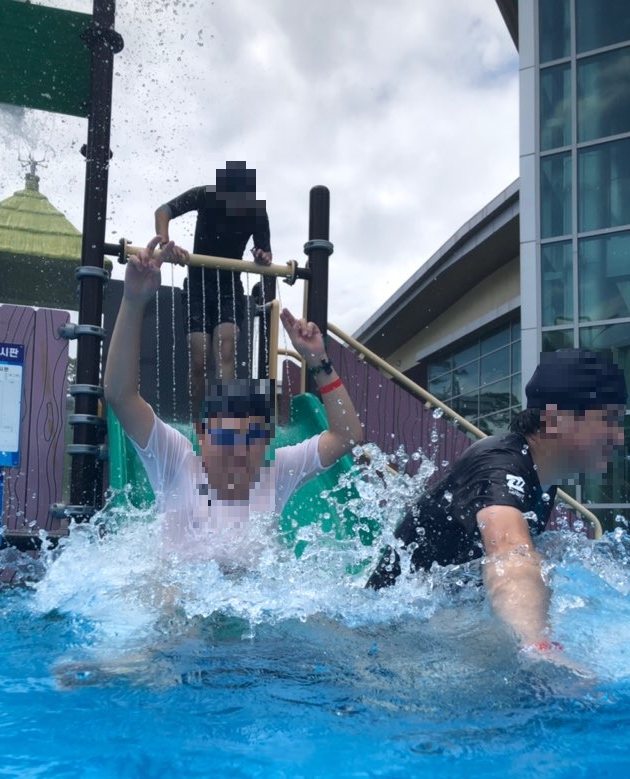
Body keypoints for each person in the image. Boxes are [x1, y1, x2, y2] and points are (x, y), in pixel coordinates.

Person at [103, 237, 363, 568]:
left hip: (247, 593)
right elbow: (120, 394)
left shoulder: (273, 475)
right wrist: (133, 301)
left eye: (250, 437)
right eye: (226, 434)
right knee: (166, 592)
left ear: (265, 444)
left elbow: (347, 435)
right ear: (203, 437)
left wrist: (318, 361)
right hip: (180, 595)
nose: (237, 449)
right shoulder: (178, 464)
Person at [367, 348, 627, 671]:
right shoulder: (500, 465)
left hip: (425, 627)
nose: (619, 437)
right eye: (608, 420)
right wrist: (539, 649)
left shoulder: (542, 481)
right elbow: (509, 553)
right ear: (555, 418)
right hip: (383, 640)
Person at [155, 161, 272, 419]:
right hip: (198, 285)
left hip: (229, 287)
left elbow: (266, 253)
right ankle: (197, 420)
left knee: (225, 351)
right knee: (200, 359)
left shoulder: (256, 211)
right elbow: (163, 211)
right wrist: (165, 244)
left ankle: (223, 422)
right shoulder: (206, 195)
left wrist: (262, 256)